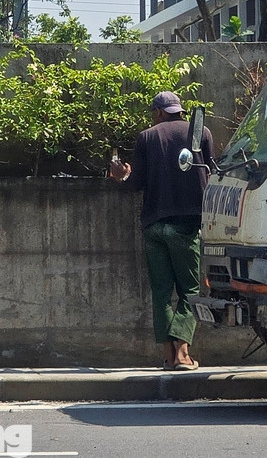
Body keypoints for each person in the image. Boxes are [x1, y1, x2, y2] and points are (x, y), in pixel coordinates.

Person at [107, 91, 214, 371]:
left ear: (158, 112)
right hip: (186, 224)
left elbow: (136, 183)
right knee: (190, 290)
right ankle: (183, 355)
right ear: (179, 110)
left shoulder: (147, 137)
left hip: (153, 224)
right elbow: (211, 174)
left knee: (161, 292)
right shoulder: (201, 132)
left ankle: (168, 356)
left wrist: (122, 176)